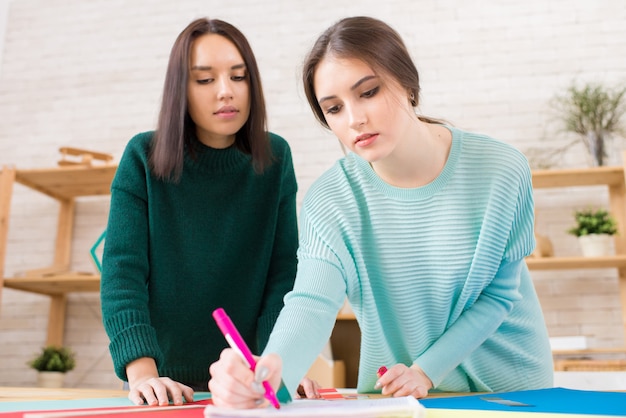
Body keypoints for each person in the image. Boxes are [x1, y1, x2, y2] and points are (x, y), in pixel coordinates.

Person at [208, 16, 554, 408]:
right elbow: (312, 302)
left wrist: (426, 369)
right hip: (398, 399)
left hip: (511, 391)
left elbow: (498, 296)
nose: (354, 119)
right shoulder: (330, 200)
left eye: (368, 92)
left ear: (407, 82)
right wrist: (270, 371)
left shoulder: (502, 169)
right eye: (334, 108)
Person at [100, 17, 299, 406]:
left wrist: (281, 362)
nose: (226, 92)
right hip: (161, 381)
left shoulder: (275, 160)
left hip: (249, 380)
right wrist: (144, 375)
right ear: (181, 90)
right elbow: (122, 275)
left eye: (239, 77)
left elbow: (284, 276)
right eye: (205, 80)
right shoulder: (143, 157)